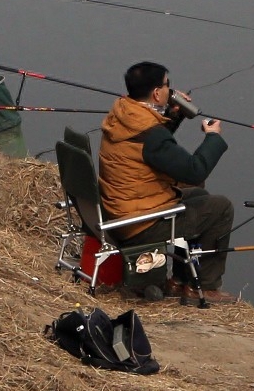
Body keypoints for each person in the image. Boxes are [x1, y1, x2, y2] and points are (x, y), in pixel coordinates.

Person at [98, 61, 233, 304]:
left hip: (120, 211)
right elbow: (194, 170)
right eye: (167, 86)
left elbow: (152, 147)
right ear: (157, 93)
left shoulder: (124, 112)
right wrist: (212, 138)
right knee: (220, 208)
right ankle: (202, 287)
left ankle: (179, 281)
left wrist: (173, 115)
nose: (171, 91)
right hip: (139, 224)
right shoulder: (151, 133)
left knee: (198, 196)